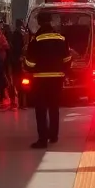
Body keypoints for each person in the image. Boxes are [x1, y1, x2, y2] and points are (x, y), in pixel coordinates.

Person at [25, 14, 71, 149]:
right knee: (54, 107)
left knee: (40, 109)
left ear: (39, 23)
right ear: (51, 22)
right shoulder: (61, 39)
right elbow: (67, 59)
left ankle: (42, 139)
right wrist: (63, 71)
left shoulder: (36, 40)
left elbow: (30, 62)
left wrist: (29, 68)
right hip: (57, 78)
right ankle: (54, 135)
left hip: (40, 79)